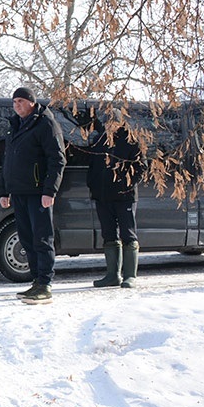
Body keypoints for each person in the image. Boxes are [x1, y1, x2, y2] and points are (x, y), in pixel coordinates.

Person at [0, 87, 66, 303]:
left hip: (38, 193)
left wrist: (49, 190)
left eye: (20, 101)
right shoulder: (14, 126)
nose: (16, 105)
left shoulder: (45, 124)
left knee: (42, 239)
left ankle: (45, 284)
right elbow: (8, 161)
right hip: (19, 192)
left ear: (31, 103)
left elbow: (57, 160)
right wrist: (4, 190)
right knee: (27, 239)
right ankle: (36, 281)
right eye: (14, 101)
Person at [87, 117, 145, 288]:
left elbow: (141, 166)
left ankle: (130, 276)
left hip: (124, 196)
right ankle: (112, 275)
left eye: (112, 122)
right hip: (102, 196)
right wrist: (92, 185)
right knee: (108, 235)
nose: (108, 125)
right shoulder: (99, 140)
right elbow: (92, 165)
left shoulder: (131, 140)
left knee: (128, 234)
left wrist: (126, 184)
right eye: (106, 122)